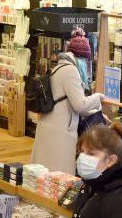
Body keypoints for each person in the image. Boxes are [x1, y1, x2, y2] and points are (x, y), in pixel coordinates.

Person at [31, 28, 104, 175]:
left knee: (44, 171)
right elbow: (79, 105)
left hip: (50, 124)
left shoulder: (59, 67)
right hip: (60, 130)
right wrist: (98, 98)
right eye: (85, 60)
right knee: (59, 173)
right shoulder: (71, 71)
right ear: (80, 58)